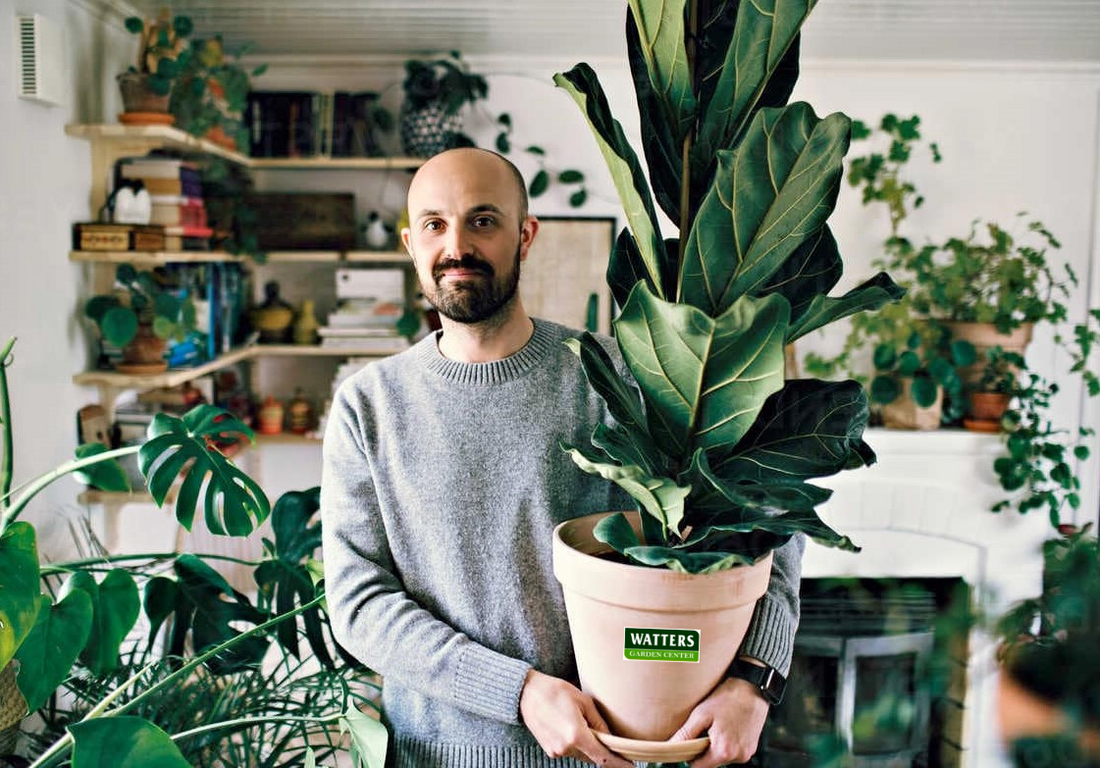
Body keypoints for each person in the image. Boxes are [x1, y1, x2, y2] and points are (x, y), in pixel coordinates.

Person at [320, 147, 804, 768]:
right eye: (436, 225)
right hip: (430, 755)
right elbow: (360, 605)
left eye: (484, 221)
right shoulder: (369, 404)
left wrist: (754, 679)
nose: (458, 246)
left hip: (612, 754)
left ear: (525, 236)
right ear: (411, 243)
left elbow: (769, 503)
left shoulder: (619, 373)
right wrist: (517, 692)